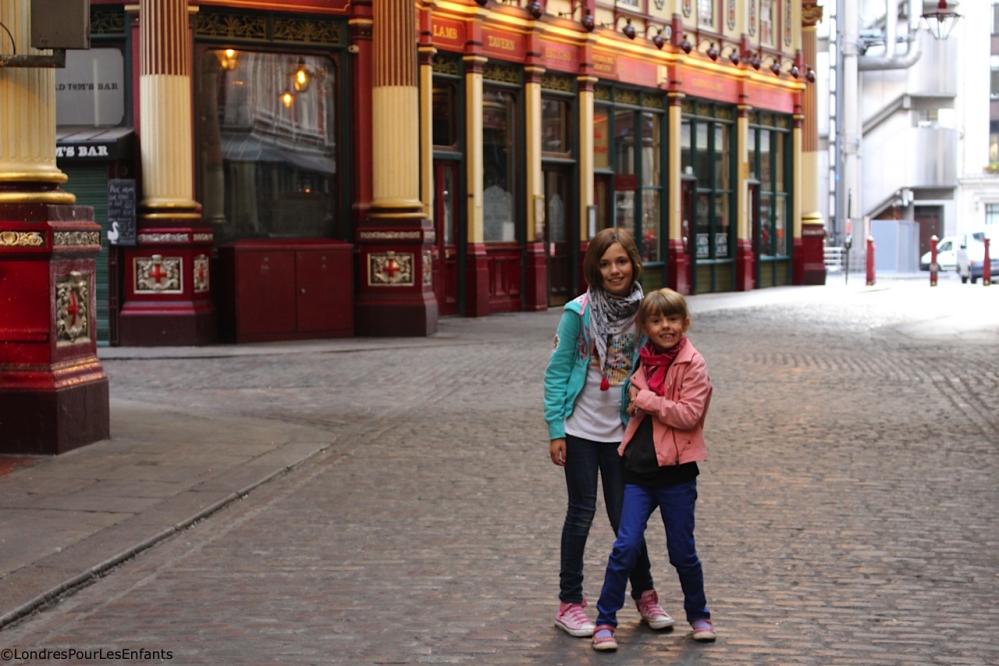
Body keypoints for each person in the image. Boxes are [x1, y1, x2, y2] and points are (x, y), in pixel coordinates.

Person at [544, 228, 672, 638]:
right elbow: (557, 371)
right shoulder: (577, 312)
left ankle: (646, 596)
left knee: (626, 520)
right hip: (580, 431)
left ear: (634, 262)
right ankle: (570, 603)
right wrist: (555, 429)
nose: (614, 270)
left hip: (624, 432)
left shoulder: (645, 312)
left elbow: (667, 361)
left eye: (621, 261)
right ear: (594, 269)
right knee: (580, 515)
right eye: (605, 263)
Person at [590, 288, 715, 652]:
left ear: (685, 322)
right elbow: (624, 403)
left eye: (672, 319)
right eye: (657, 320)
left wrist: (646, 401)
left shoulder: (693, 365)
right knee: (625, 546)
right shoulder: (639, 362)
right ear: (644, 326)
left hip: (676, 475)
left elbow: (689, 415)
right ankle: (604, 622)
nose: (666, 326)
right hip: (639, 473)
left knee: (682, 552)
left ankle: (699, 615)